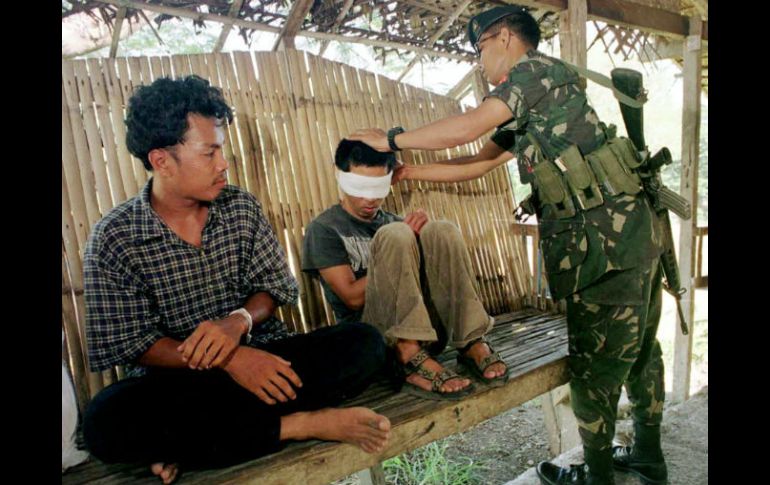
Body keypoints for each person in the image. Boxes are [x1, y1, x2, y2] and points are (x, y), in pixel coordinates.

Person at [348, 6, 667, 485]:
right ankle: (648, 458)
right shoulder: (536, 101)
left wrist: (392, 138)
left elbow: (466, 127)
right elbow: (477, 160)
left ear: (502, 38)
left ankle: (598, 476)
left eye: (480, 49)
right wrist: (410, 170)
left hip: (605, 247)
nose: (480, 63)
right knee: (641, 351)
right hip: (630, 237)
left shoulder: (533, 72)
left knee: (594, 369)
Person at [82, 75, 390, 484]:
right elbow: (131, 344)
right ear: (161, 161)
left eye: (221, 151)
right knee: (105, 422)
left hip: (269, 359)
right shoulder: (114, 237)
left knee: (364, 343)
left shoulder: (240, 207)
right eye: (209, 153)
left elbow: (275, 286)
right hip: (182, 385)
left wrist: (239, 322)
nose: (223, 164)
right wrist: (229, 359)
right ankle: (301, 424)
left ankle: (188, 444)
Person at [301, 139, 508, 401]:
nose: (370, 198)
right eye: (360, 187)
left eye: (378, 187)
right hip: (375, 341)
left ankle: (470, 341)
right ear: (340, 177)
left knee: (440, 230)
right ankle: (407, 355)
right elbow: (352, 299)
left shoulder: (394, 222)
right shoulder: (324, 229)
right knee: (397, 234)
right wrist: (399, 244)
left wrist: (424, 243)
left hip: (428, 332)